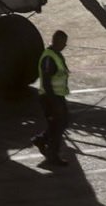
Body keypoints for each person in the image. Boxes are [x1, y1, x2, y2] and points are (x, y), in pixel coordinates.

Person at [33, 29, 71, 166]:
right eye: (63, 43)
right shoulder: (49, 58)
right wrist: (54, 102)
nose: (64, 46)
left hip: (58, 96)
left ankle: (41, 140)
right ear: (56, 41)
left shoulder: (56, 54)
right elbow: (47, 82)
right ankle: (53, 156)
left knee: (61, 123)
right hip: (50, 97)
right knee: (57, 126)